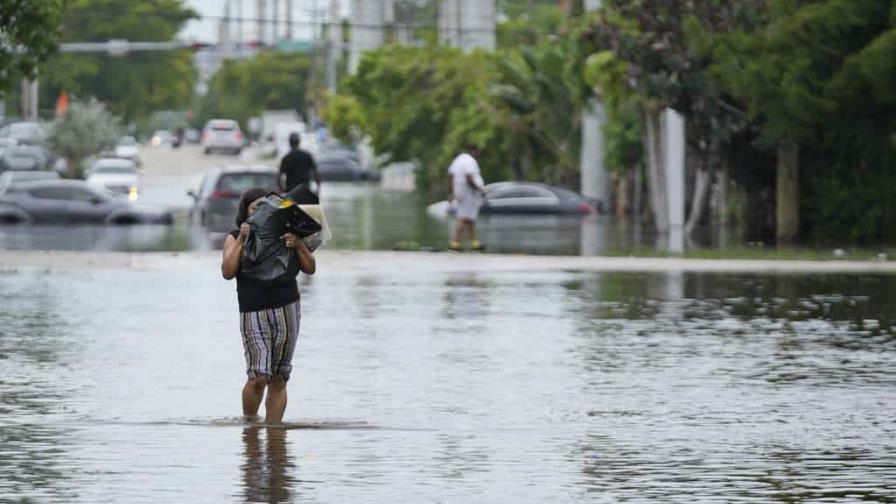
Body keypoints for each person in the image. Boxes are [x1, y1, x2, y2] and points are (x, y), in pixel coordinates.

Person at [221, 188, 316, 424]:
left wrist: (299, 246)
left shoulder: (288, 235)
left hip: (287, 307)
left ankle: (275, 434)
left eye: (266, 207)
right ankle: (250, 426)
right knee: (258, 376)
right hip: (253, 310)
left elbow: (310, 268)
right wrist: (244, 238)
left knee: (279, 377)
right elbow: (227, 271)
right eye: (255, 208)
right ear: (245, 213)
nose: (261, 212)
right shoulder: (235, 236)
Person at [447, 144, 486, 251]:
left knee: (470, 217)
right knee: (464, 216)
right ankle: (455, 242)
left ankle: (474, 242)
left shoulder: (458, 159)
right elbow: (469, 177)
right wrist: (480, 189)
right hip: (468, 191)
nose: (478, 155)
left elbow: (450, 175)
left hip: (459, 189)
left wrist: (451, 193)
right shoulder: (470, 161)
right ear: (474, 151)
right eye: (478, 152)